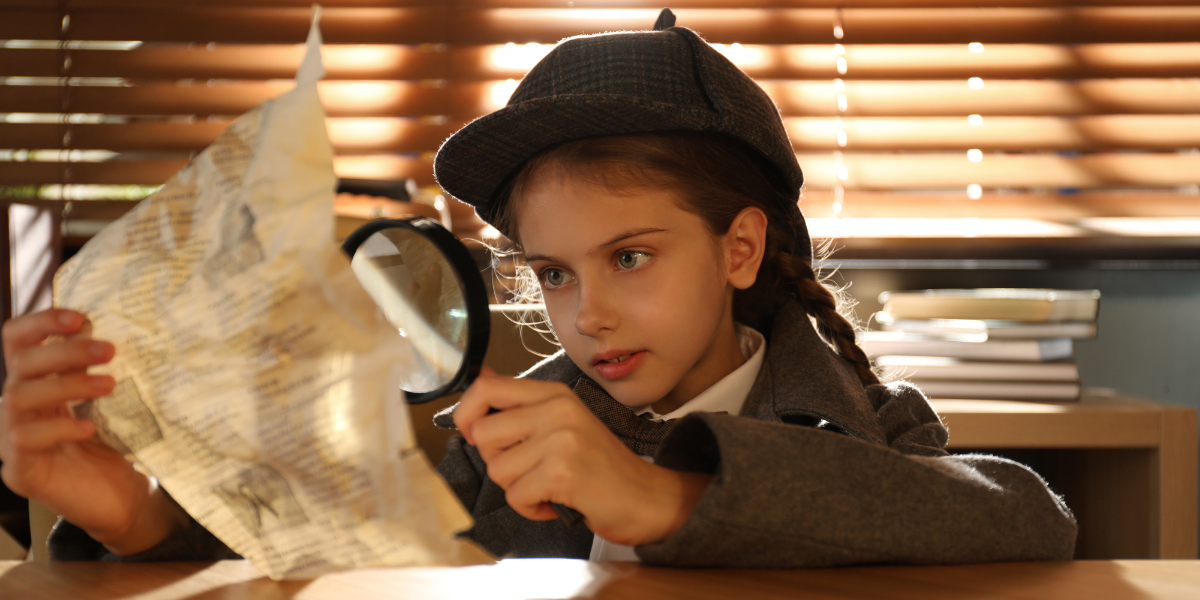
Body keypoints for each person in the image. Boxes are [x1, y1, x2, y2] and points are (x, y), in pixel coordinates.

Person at [0, 10, 1076, 565]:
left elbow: (1026, 521)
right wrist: (141, 517)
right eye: (553, 272)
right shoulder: (509, 435)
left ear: (739, 250)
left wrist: (662, 496)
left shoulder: (866, 421)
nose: (587, 312)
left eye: (632, 256)